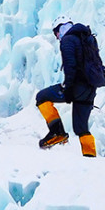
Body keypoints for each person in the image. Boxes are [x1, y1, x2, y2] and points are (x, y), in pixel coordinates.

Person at [36, 18, 98, 157]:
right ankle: (91, 157)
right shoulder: (88, 38)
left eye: (56, 33)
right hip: (90, 88)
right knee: (81, 128)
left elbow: (71, 66)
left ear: (61, 28)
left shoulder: (68, 40)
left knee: (42, 97)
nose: (57, 37)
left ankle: (57, 132)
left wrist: (69, 88)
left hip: (76, 86)